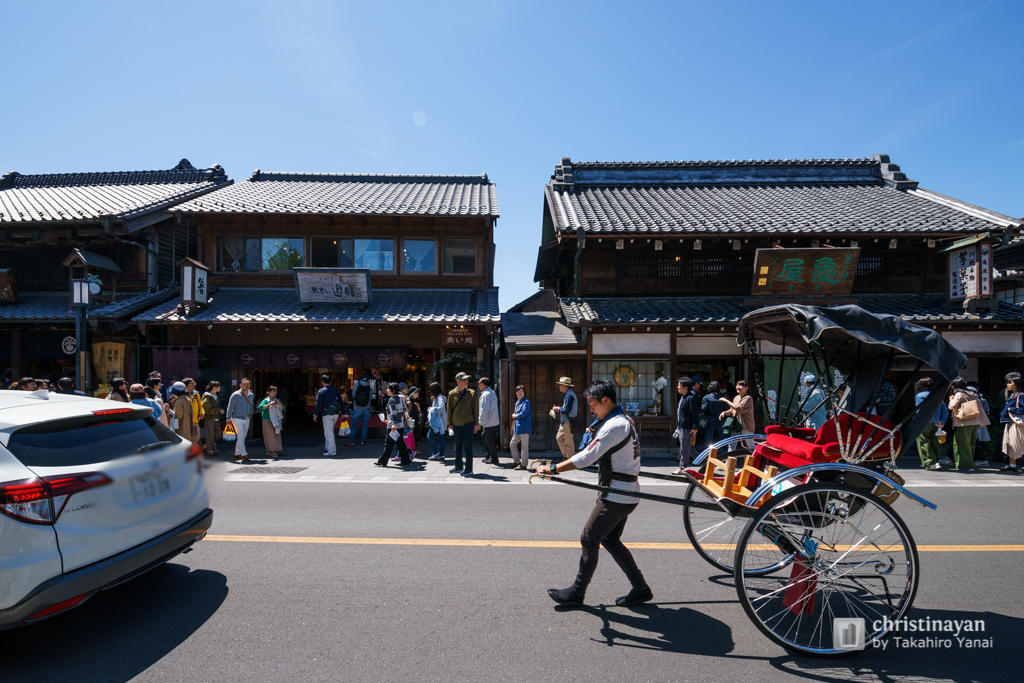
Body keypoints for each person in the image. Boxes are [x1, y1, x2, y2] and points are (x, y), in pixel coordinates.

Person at [538, 379, 652, 608]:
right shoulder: (621, 420)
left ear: (606, 401)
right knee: (609, 539)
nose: (590, 408)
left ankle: (577, 593)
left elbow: (586, 458)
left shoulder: (615, 425)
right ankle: (640, 588)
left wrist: (554, 468)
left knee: (589, 537)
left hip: (618, 495)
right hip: (626, 492)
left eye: (592, 404)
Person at [948, 378, 989, 473]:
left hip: (963, 422)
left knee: (962, 444)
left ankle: (965, 465)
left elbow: (951, 406)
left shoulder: (959, 394)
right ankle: (967, 463)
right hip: (975, 422)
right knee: (971, 443)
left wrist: (951, 399)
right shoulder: (972, 393)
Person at [447, 372, 480, 476]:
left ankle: (469, 469)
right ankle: (458, 466)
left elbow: (475, 409)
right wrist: (449, 424)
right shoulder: (451, 394)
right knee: (457, 447)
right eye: (464, 380)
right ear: (458, 381)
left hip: (468, 424)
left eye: (467, 380)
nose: (466, 382)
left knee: (468, 447)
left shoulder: (471, 393)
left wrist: (476, 423)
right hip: (456, 424)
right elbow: (449, 410)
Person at [914, 377, 949, 471]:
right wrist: (941, 421)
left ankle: (930, 462)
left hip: (924, 422)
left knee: (923, 442)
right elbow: (945, 410)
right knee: (935, 442)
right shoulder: (937, 395)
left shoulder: (920, 396)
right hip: (937, 424)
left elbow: (922, 411)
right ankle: (935, 461)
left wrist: (934, 421)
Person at [376, 383, 411, 467]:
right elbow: (405, 409)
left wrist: (392, 423)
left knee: (388, 444)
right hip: (400, 425)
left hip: (393, 426)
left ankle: (382, 461)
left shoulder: (391, 400)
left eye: (388, 389)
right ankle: (406, 460)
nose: (387, 390)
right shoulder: (400, 399)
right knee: (401, 444)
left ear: (393, 391)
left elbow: (393, 413)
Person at [718, 379, 755, 450]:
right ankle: (728, 461)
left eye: (740, 386)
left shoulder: (748, 398)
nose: (738, 387)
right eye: (737, 386)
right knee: (731, 445)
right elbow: (733, 411)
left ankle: (757, 460)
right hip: (736, 425)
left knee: (751, 446)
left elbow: (738, 408)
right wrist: (725, 412)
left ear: (746, 388)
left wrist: (726, 400)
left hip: (746, 426)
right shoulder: (736, 397)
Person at [674, 377, 700, 475]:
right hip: (682, 426)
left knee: (684, 448)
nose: (678, 387)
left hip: (687, 427)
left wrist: (695, 427)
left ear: (686, 388)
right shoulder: (683, 397)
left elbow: (694, 413)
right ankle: (705, 463)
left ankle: (682, 468)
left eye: (680, 385)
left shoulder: (690, 397)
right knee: (688, 448)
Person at [313, 374, 343, 456]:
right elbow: (341, 401)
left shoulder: (321, 391)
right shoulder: (336, 390)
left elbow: (318, 403)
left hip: (326, 413)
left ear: (322, 382)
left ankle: (332, 450)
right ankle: (327, 447)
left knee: (328, 432)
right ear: (330, 381)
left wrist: (315, 414)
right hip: (335, 413)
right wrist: (343, 412)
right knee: (330, 431)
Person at [1000, 372, 1024, 473]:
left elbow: (1022, 409)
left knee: (1016, 444)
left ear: (1016, 383)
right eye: (1007, 382)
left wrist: (1011, 409)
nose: (1008, 385)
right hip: (1010, 422)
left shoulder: (1021, 395)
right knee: (1010, 444)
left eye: (1010, 382)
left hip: (1017, 423)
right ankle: (1012, 465)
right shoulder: (1012, 395)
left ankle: (1013, 465)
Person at [226, 379, 254, 462]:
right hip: (237, 418)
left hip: (247, 418)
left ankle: (237, 453)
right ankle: (244, 454)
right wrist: (228, 418)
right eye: (245, 384)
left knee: (242, 437)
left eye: (248, 384)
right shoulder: (236, 394)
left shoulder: (251, 394)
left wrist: (251, 412)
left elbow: (251, 404)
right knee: (241, 436)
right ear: (240, 385)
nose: (247, 385)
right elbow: (230, 407)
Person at [552, 377, 579, 461]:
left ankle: (570, 461)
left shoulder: (569, 396)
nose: (559, 386)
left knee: (569, 442)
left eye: (560, 385)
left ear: (565, 386)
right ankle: (566, 457)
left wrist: (558, 409)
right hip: (565, 421)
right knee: (559, 438)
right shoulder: (569, 394)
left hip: (568, 421)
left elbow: (567, 410)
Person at [966, 380, 992, 467]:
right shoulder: (980, 397)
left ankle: (980, 459)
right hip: (981, 422)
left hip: (971, 421)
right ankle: (980, 458)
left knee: (975, 441)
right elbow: (987, 410)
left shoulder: (968, 395)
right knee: (979, 441)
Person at [478, 377, 500, 465]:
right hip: (492, 420)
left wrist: (480, 422)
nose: (479, 385)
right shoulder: (491, 392)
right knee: (485, 437)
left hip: (488, 420)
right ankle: (490, 455)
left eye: (479, 383)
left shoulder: (486, 394)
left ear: (483, 384)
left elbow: (484, 410)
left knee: (489, 439)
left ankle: (494, 457)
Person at [258, 386, 285, 458]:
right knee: (269, 436)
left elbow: (283, 408)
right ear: (268, 392)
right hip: (267, 419)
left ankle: (271, 450)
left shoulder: (278, 400)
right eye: (273, 391)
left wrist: (279, 404)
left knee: (276, 435)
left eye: (276, 391)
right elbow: (261, 407)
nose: (275, 393)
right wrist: (270, 404)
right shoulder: (265, 400)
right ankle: (272, 451)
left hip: (276, 420)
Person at [511, 385, 532, 470]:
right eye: (518, 392)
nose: (520, 393)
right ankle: (517, 461)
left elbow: (523, 413)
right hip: (518, 427)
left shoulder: (526, 402)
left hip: (525, 427)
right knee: (512, 444)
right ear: (516, 393)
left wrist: (515, 415)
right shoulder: (517, 402)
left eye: (522, 391)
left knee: (524, 446)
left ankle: (524, 464)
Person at [348, 374, 373, 446]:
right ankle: (362, 441)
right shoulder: (370, 388)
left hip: (357, 408)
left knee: (353, 425)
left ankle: (351, 441)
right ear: (368, 380)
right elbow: (370, 398)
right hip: (366, 408)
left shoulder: (356, 386)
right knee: (365, 425)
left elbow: (353, 396)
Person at [701, 380, 726, 448]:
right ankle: (726, 453)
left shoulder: (706, 398)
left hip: (710, 421)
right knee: (723, 438)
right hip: (721, 420)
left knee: (709, 440)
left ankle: (708, 454)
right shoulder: (722, 398)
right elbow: (725, 409)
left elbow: (704, 409)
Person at [426, 382, 447, 462]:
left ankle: (436, 453)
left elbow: (441, 408)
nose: (430, 391)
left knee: (430, 436)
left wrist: (432, 410)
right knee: (441, 437)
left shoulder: (439, 397)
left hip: (438, 421)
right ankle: (441, 454)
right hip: (439, 420)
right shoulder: (438, 397)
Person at [202, 381, 223, 457]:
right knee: (210, 435)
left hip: (216, 418)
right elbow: (208, 410)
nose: (220, 388)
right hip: (210, 419)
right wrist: (219, 411)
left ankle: (204, 447)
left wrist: (219, 410)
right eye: (219, 386)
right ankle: (210, 451)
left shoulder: (215, 396)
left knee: (218, 434)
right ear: (214, 387)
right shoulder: (207, 397)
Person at [183, 378, 204, 442]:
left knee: (196, 438)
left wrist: (202, 413)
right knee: (186, 439)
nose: (194, 385)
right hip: (185, 422)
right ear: (186, 386)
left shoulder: (196, 395)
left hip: (195, 421)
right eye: (192, 383)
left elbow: (201, 405)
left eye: (194, 383)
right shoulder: (182, 396)